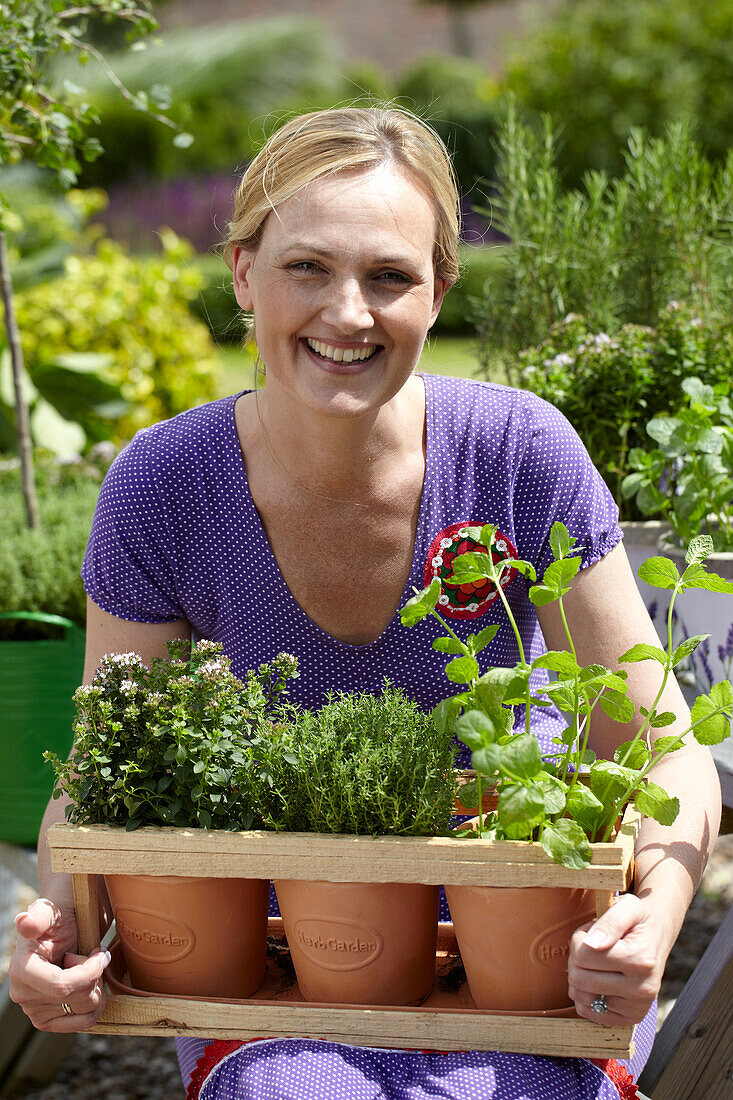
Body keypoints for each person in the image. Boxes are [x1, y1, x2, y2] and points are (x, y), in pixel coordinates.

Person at [9, 106, 721, 1100]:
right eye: (307, 267)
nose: (348, 313)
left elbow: (657, 744)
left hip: (525, 952)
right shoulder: (165, 482)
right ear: (243, 273)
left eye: (389, 276)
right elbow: (100, 770)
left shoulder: (517, 456)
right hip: (286, 965)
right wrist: (57, 924)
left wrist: (660, 900)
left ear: (437, 292)